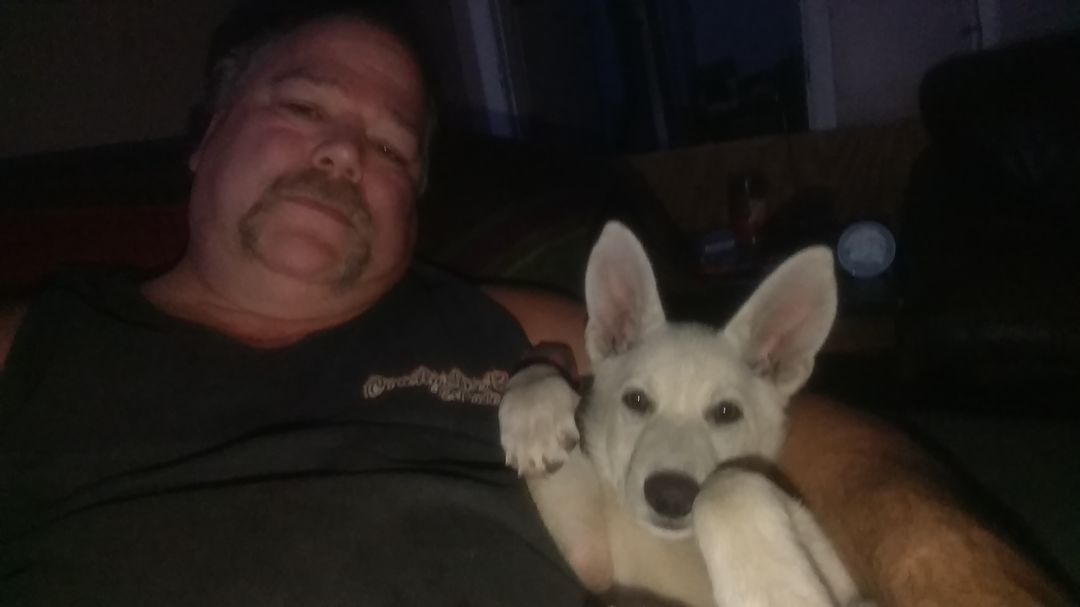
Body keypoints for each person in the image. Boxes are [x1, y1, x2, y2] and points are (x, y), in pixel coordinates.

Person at [0, 1, 1068, 605]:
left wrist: (951, 577)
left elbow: (812, 442)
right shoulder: (31, 341)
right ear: (204, 134)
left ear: (415, 207)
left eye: (391, 148)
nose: (343, 152)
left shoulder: (511, 326)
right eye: (303, 105)